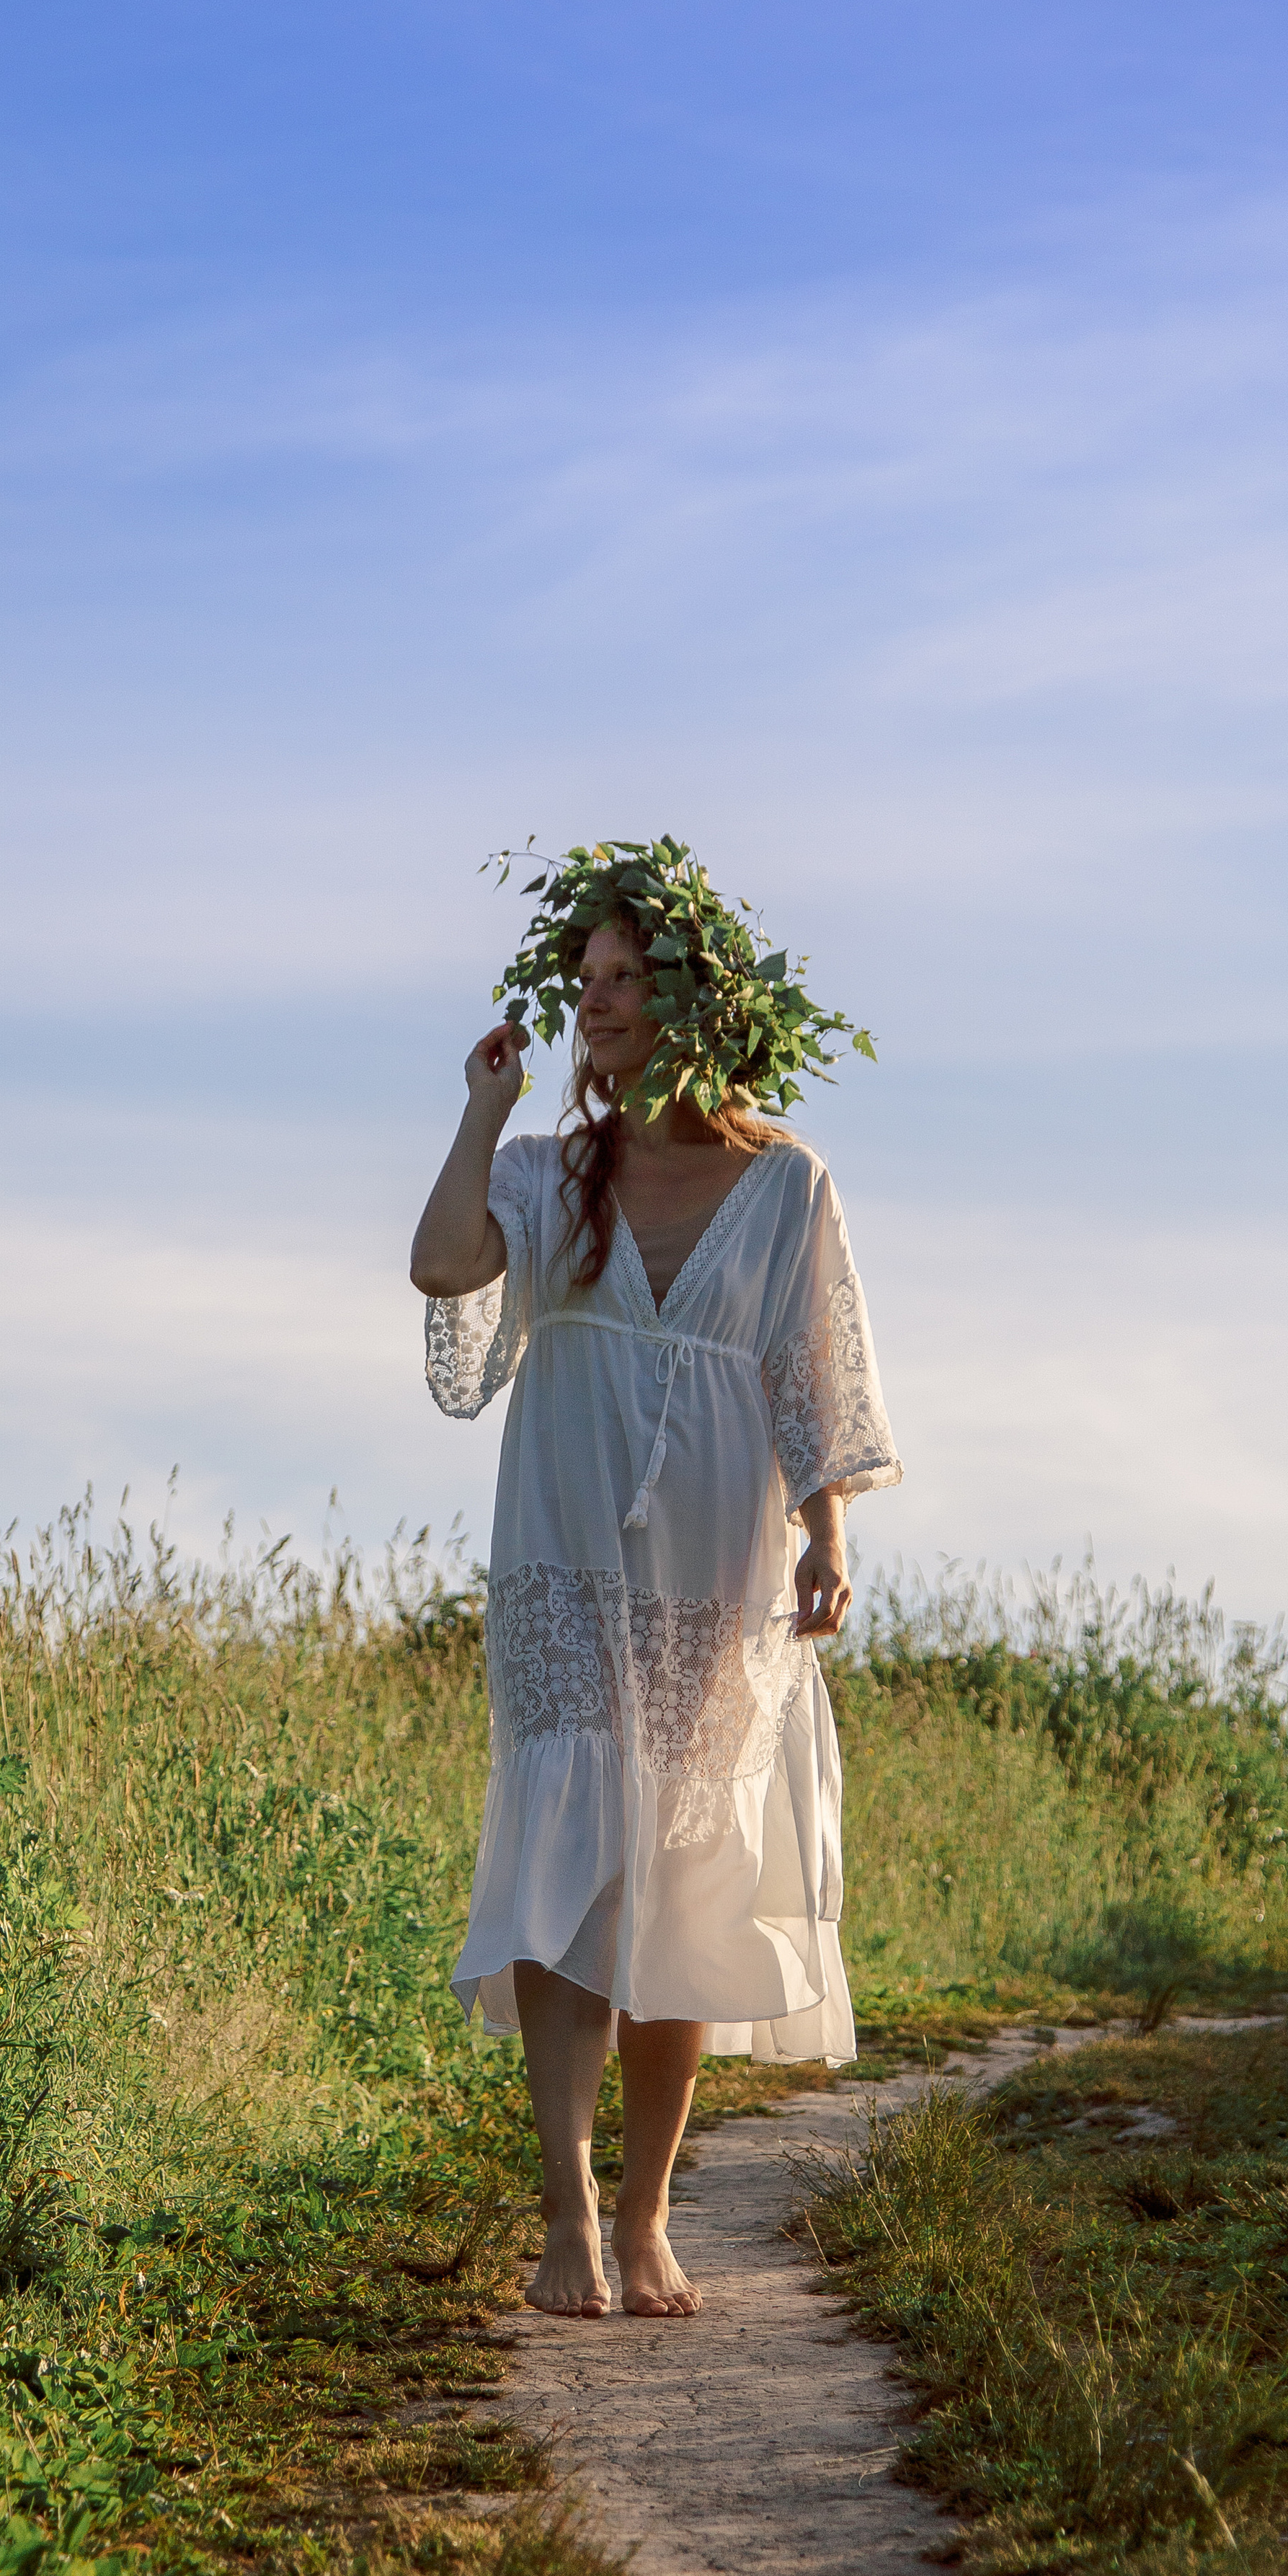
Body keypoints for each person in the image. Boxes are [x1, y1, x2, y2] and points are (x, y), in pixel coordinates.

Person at [410, 848, 900, 2320]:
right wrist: (484, 1105)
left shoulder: (787, 1183)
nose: (597, 1005)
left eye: (626, 980)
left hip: (716, 1569)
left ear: (697, 998)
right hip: (564, 1553)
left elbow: (813, 1379)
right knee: (567, 1867)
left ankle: (643, 2223)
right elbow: (441, 1268)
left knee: (684, 1874)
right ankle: (563, 2222)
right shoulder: (553, 1174)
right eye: (584, 984)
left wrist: (826, 1538)